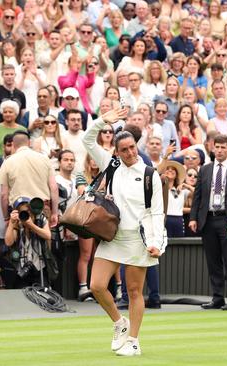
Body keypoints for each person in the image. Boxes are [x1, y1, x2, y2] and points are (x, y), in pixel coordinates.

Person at [83, 108, 165, 356]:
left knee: (134, 291)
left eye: (132, 148)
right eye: (124, 150)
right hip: (113, 237)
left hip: (139, 240)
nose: (130, 153)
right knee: (96, 285)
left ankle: (134, 340)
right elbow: (87, 139)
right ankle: (120, 323)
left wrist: (156, 243)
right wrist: (102, 121)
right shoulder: (112, 165)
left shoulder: (151, 175)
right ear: (116, 152)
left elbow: (156, 212)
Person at [189, 134, 227, 311]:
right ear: (212, 148)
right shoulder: (205, 170)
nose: (219, 150)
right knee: (213, 261)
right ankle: (218, 297)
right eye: (217, 147)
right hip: (208, 218)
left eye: (223, 147)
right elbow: (197, 196)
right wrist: (193, 218)